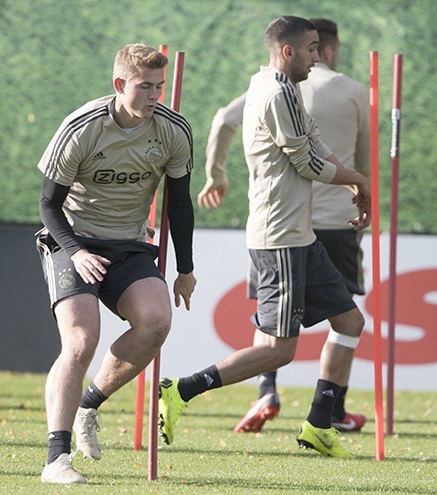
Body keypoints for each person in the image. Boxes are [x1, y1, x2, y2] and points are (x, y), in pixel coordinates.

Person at [158, 16, 370, 458]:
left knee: (350, 322)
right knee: (278, 350)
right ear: (287, 52)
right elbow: (307, 163)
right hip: (279, 239)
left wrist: (353, 178)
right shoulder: (274, 92)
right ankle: (182, 389)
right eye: (311, 49)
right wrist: (356, 179)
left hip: (299, 235)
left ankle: (319, 424)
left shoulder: (283, 87)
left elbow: (314, 141)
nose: (317, 57)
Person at [35, 43, 197, 484]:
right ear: (119, 84)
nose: (154, 95)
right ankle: (56, 460)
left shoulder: (173, 130)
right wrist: (77, 251)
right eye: (145, 86)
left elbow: (180, 204)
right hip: (72, 241)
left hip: (129, 244)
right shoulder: (81, 127)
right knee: (81, 341)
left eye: (159, 86)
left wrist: (185, 269)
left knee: (156, 324)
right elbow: (48, 205)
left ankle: (88, 405)